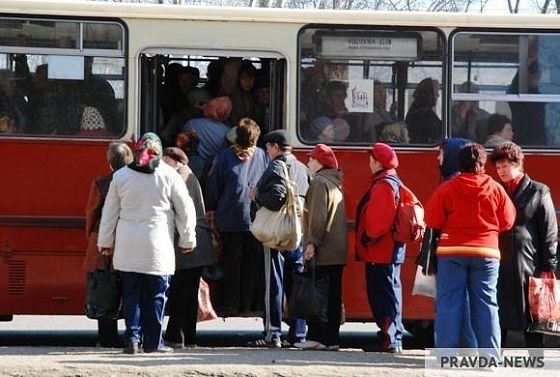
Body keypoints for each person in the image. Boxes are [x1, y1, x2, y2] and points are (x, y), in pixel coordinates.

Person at [97, 132, 197, 355]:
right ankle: (153, 343)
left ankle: (132, 340)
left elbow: (109, 213)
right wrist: (188, 238)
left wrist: (105, 242)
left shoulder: (121, 176)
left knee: (131, 293)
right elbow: (186, 209)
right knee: (156, 295)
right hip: (158, 245)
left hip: (128, 244)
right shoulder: (170, 175)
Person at [425, 143, 515, 358]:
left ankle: (446, 355)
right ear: (483, 163)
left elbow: (432, 219)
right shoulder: (496, 188)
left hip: (452, 252)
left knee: (448, 303)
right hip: (487, 252)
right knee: (487, 303)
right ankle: (490, 357)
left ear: (459, 163)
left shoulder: (448, 188)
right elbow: (508, 221)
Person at [490, 142, 557, 348]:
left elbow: (549, 231)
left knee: (532, 314)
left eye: (505, 166)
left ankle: (535, 358)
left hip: (529, 262)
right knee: (498, 310)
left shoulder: (538, 191)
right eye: (498, 167)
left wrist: (549, 266)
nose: (501, 171)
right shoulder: (495, 189)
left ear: (518, 164)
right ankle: (495, 355)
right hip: (500, 258)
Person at [247, 130, 310, 348]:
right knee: (298, 283)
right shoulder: (303, 168)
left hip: (277, 233)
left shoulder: (275, 167)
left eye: (268, 148)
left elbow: (275, 199)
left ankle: (273, 332)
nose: (266, 151)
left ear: (275, 147)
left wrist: (256, 196)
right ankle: (299, 333)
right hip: (299, 233)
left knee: (274, 282)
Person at [205, 118, 268, 316]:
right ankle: (248, 304)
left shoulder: (224, 157)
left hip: (230, 218)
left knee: (231, 263)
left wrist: (211, 207)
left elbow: (213, 187)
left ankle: (231, 304)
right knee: (252, 263)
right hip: (256, 220)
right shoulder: (262, 156)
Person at [162, 147, 217, 349]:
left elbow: (179, 213)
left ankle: (176, 336)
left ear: (172, 160)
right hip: (198, 243)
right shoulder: (189, 175)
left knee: (180, 291)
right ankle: (188, 337)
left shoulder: (180, 178)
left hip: (188, 243)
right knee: (188, 291)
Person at [295, 144, 347, 351]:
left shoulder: (318, 183)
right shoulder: (336, 182)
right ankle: (331, 339)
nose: (308, 162)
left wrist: (311, 243)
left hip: (324, 249)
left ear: (320, 162)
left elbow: (317, 216)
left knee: (318, 294)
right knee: (333, 295)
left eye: (311, 159)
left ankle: (316, 336)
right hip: (337, 250)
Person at [355, 142, 405, 354]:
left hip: (381, 251)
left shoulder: (384, 185)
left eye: (371, 159)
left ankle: (389, 338)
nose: (369, 162)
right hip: (387, 250)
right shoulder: (391, 181)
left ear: (378, 162)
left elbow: (379, 220)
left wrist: (368, 237)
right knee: (390, 292)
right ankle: (392, 336)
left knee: (384, 295)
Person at [84, 142, 133, 348]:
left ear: (110, 161)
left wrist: (92, 237)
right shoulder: (135, 182)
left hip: (103, 242)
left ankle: (107, 338)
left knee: (104, 286)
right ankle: (133, 334)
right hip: (128, 239)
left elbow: (91, 212)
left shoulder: (101, 182)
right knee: (130, 287)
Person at [181, 96, 232, 185]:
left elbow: (182, 145)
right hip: (214, 174)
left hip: (194, 170)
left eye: (208, 104)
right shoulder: (228, 132)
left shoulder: (192, 124)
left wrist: (194, 109)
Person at [405, 78, 441, 144]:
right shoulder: (419, 113)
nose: (438, 95)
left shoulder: (425, 109)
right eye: (436, 92)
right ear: (427, 93)